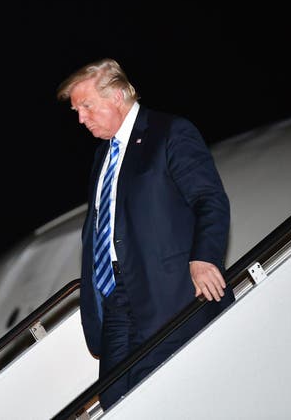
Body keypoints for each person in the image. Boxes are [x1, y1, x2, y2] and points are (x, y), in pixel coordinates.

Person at [56, 58, 234, 410]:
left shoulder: (170, 133)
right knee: (112, 398)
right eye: (77, 111)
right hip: (116, 299)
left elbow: (209, 199)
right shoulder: (102, 156)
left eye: (87, 106)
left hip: (168, 293)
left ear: (119, 95)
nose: (81, 119)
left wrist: (205, 257)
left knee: (154, 397)